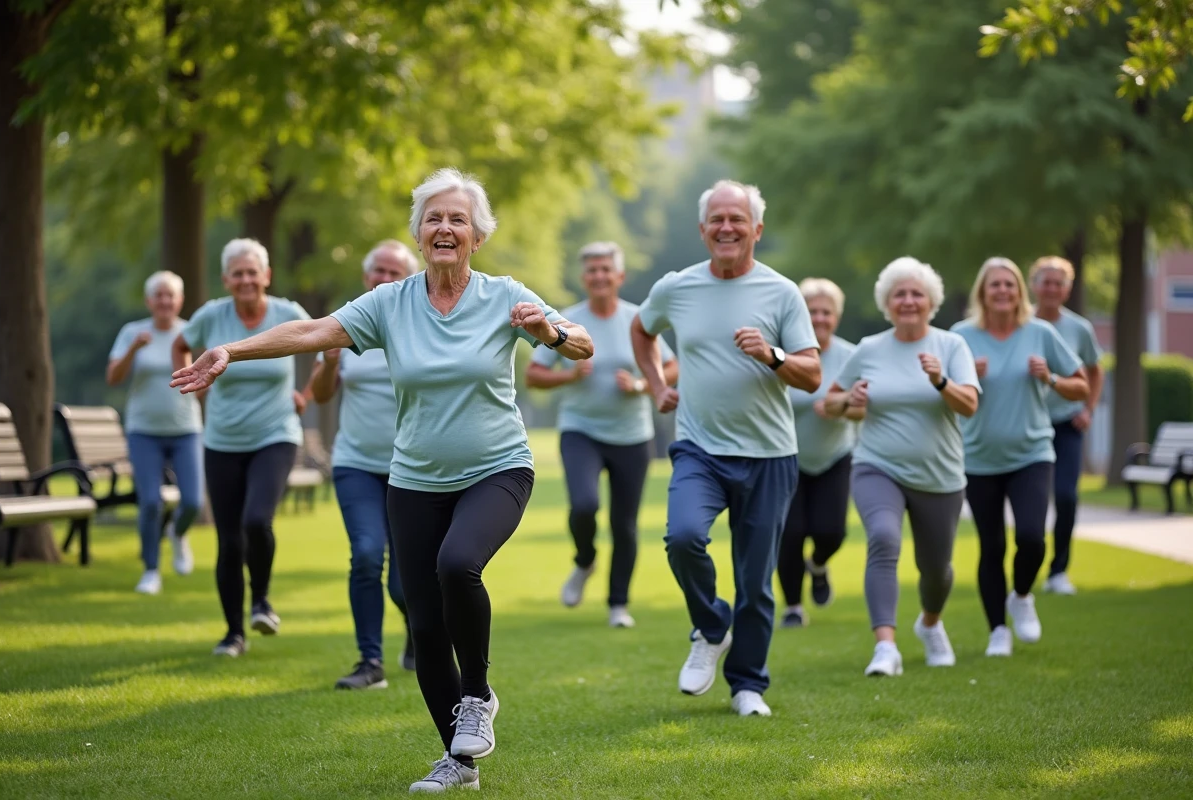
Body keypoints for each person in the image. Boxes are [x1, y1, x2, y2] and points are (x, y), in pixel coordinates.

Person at [172, 168, 592, 794]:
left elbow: (581, 345)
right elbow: (311, 332)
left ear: (476, 236)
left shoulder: (506, 295)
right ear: (419, 234)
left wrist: (550, 332)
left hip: (496, 468)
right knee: (423, 621)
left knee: (458, 565)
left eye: (457, 219)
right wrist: (232, 351)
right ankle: (459, 763)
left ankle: (478, 696)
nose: (444, 228)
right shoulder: (390, 303)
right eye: (433, 218)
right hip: (415, 478)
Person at [631, 180, 821, 718]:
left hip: (769, 455)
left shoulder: (782, 293)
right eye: (717, 218)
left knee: (755, 582)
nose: (727, 227)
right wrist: (655, 384)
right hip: (699, 448)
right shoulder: (677, 287)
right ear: (702, 229)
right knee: (683, 537)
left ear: (756, 229)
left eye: (737, 219)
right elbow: (641, 330)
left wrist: (773, 354)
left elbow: (812, 375)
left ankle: (747, 688)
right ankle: (712, 627)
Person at [824, 256, 980, 677]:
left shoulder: (951, 347)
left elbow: (969, 404)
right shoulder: (869, 349)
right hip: (878, 466)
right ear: (886, 303)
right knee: (883, 538)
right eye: (899, 294)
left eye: (916, 294)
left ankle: (930, 623)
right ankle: (885, 648)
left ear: (931, 301)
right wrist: (849, 399)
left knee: (936, 570)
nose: (908, 301)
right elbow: (829, 403)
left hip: (939, 476)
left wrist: (941, 381)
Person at [525, 241, 678, 629]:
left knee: (624, 523)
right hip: (581, 431)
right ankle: (584, 561)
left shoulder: (638, 319)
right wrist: (569, 375)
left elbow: (673, 367)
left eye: (605, 269)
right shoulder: (565, 321)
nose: (598, 276)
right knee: (584, 506)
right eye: (591, 269)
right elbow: (534, 376)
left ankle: (618, 605)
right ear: (584, 277)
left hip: (633, 435)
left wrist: (644, 385)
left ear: (619, 276)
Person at [172, 238, 311, 658]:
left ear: (266, 276)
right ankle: (234, 633)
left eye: (253, 272)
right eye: (238, 273)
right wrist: (193, 385)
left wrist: (305, 393)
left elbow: (323, 341)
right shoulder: (211, 317)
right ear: (226, 280)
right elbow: (181, 343)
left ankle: (262, 600)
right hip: (222, 439)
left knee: (256, 520)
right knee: (229, 540)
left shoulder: (288, 313)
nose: (247, 280)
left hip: (277, 435)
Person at [952, 257, 1087, 657]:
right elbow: (940, 393)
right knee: (991, 547)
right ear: (982, 292)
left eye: (1009, 284)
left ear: (1019, 291)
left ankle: (1022, 595)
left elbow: (1080, 386)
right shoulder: (960, 336)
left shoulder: (1040, 333)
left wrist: (1051, 378)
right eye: (994, 285)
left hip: (1032, 452)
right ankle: (997, 630)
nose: (1003, 291)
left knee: (1031, 537)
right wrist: (964, 377)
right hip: (978, 457)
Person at [308, 240, 418, 689]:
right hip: (355, 463)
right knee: (368, 555)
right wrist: (330, 363)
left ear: (409, 278)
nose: (386, 279)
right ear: (365, 277)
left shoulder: (421, 322)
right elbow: (319, 394)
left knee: (404, 582)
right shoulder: (348, 322)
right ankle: (370, 662)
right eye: (379, 272)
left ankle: (417, 628)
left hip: (412, 468)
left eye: (396, 273)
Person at [106, 271, 204, 595]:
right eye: (158, 295)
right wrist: (134, 349)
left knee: (192, 500)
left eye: (170, 295)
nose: (164, 301)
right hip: (143, 430)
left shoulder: (191, 331)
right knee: (150, 502)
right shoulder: (132, 332)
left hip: (186, 428)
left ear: (180, 300)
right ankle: (150, 570)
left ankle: (177, 533)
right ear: (149, 301)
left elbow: (203, 381)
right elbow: (113, 378)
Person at [777, 278, 862, 628]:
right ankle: (794, 607)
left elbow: (865, 408)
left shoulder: (852, 356)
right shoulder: (783, 354)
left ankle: (819, 564)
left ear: (837, 317)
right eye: (812, 311)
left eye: (827, 312)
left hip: (834, 456)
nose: (820, 318)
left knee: (831, 532)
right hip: (787, 456)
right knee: (791, 533)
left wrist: (841, 408)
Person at [1030, 256, 1104, 596]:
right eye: (1046, 281)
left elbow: (1094, 370)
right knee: (1031, 502)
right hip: (1028, 424)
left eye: (1058, 283)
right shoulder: (1019, 324)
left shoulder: (1079, 329)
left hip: (1067, 424)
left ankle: (1058, 571)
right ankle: (1025, 568)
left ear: (1067, 289)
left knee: (1066, 496)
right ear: (1034, 285)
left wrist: (1088, 409)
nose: (1052, 288)